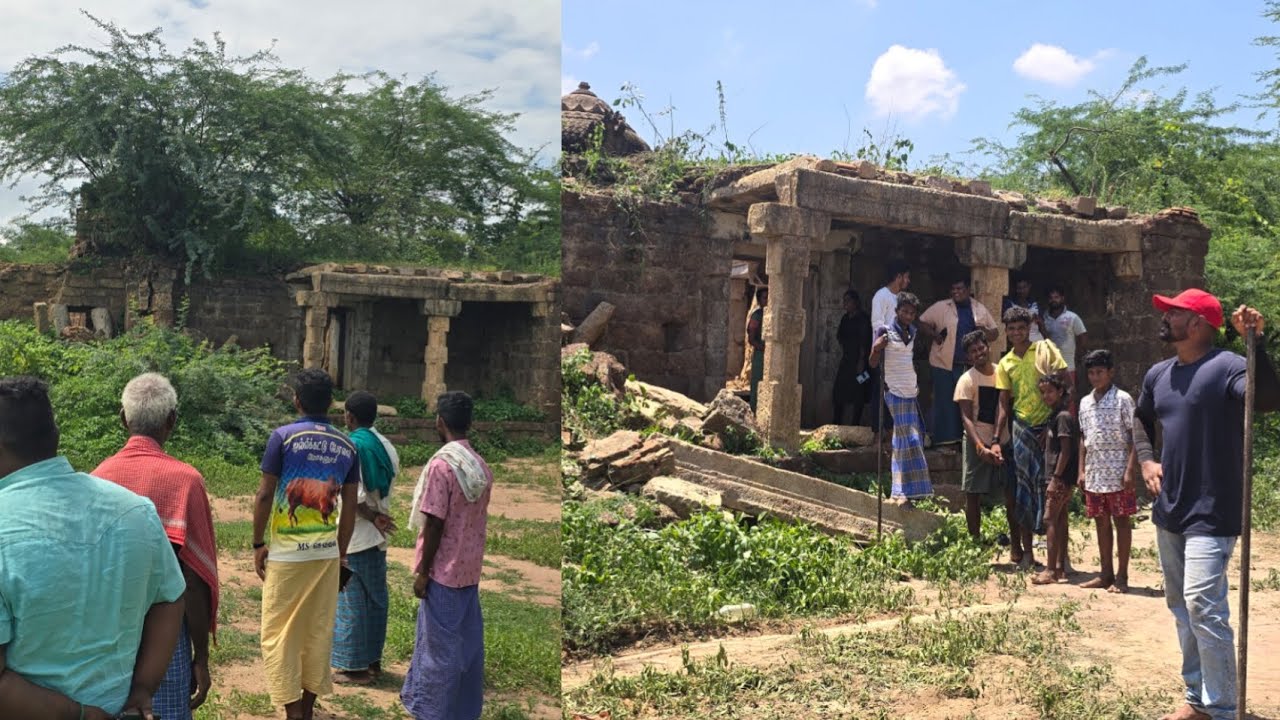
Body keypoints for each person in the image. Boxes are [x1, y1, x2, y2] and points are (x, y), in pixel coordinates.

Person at [0, 376, 186, 720]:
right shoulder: (136, 512)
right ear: (54, 436)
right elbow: (170, 598)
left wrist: (79, 714)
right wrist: (143, 688)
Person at [1133, 289, 1280, 720]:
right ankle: (1197, 698)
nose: (1165, 318)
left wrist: (1256, 343)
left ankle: (1221, 707)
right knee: (1181, 607)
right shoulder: (1158, 374)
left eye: (1173, 313)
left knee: (1203, 604)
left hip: (1213, 509)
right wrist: (1146, 460)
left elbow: (1268, 401)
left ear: (1196, 323)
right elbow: (1140, 420)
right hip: (1170, 509)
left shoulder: (1228, 367)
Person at [93, 373, 219, 719]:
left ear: (122, 418)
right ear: (172, 421)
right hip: (166, 636)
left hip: (108, 634)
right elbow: (192, 580)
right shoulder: (187, 481)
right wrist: (201, 659)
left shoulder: (98, 477)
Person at [252, 368, 360, 720]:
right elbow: (349, 508)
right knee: (318, 630)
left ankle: (292, 711)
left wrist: (257, 543)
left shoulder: (282, 438)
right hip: (326, 556)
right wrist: (341, 553)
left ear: (296, 401)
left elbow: (266, 493)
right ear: (331, 403)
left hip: (286, 556)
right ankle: (308, 710)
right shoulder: (347, 445)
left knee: (278, 631)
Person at [402, 392, 494, 720]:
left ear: (439, 422)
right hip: (469, 571)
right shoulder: (479, 466)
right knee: (468, 649)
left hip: (443, 573)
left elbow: (436, 522)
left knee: (438, 652)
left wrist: (423, 571)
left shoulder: (442, 466)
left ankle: (431, 712)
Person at [332, 391, 400, 685]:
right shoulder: (386, 446)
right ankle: (373, 662)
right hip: (377, 535)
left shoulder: (352, 447)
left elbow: (354, 499)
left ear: (350, 416)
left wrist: (372, 515)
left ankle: (354, 667)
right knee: (375, 599)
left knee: (351, 599)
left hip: (357, 533)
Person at [995, 305, 1068, 570]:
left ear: (1029, 329)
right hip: (1022, 428)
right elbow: (1004, 402)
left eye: (1021, 328)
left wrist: (1053, 425)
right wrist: (996, 436)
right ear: (1006, 332)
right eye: (1011, 329)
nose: (1016, 333)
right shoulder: (1005, 363)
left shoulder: (1046, 351)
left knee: (1054, 489)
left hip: (1047, 427)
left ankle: (1061, 559)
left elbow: (1064, 384)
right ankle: (1028, 554)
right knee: (1023, 490)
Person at [1076, 349, 1137, 594]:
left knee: (1122, 521)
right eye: (1091, 373)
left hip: (1118, 470)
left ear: (1111, 372)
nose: (1095, 377)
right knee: (1101, 522)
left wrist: (1131, 470)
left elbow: (1135, 436)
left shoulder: (1123, 399)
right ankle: (1105, 573)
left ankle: (1122, 576)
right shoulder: (1084, 402)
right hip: (1095, 472)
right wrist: (1081, 470)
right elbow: (1083, 438)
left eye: (1100, 372)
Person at [918, 276, 999, 446]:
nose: (956, 292)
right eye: (954, 290)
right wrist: (935, 336)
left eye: (960, 289)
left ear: (968, 290)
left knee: (968, 402)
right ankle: (944, 440)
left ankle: (966, 439)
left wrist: (983, 331)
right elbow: (922, 322)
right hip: (943, 362)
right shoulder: (942, 307)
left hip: (970, 364)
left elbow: (995, 333)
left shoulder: (978, 308)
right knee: (944, 401)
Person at [868, 292, 932, 503]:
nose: (907, 316)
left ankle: (900, 491)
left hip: (910, 391)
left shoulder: (913, 332)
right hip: (893, 390)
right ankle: (907, 490)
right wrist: (877, 348)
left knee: (903, 440)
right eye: (904, 311)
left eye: (912, 313)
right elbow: (873, 362)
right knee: (909, 439)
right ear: (896, 311)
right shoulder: (884, 331)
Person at [954, 330, 1007, 541]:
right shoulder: (966, 380)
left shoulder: (1001, 372)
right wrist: (979, 447)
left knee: (1009, 493)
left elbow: (1004, 406)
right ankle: (975, 540)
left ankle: (1014, 540)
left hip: (1001, 440)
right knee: (973, 493)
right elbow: (966, 418)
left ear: (988, 347)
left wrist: (996, 441)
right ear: (969, 357)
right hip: (976, 441)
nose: (978, 353)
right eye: (973, 352)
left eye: (980, 348)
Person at [1032, 374, 1077, 586]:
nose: (1046, 396)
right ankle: (1060, 568)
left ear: (1060, 391)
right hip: (1060, 478)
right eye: (1043, 392)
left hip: (1059, 478)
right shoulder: (1055, 417)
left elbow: (1066, 451)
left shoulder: (1063, 418)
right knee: (1060, 520)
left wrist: (1056, 478)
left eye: (1050, 391)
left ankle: (1050, 569)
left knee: (1049, 519)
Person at [869, 260, 911, 433]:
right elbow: (878, 324)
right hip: (884, 352)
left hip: (900, 355)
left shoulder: (901, 299)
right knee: (881, 393)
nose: (908, 281)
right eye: (906, 277)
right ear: (898, 277)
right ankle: (879, 433)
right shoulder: (882, 295)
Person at [1042, 285, 1088, 408]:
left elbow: (1082, 337)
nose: (1054, 300)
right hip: (1049, 368)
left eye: (1056, 297)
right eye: (1051, 298)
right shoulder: (1044, 319)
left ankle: (1069, 425)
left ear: (1062, 298)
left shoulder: (1073, 317)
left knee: (1069, 399)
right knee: (1051, 401)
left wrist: (1079, 356)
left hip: (1068, 366)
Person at [833, 289, 872, 425]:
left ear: (855, 302)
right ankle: (836, 422)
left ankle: (855, 424)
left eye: (848, 300)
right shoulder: (845, 318)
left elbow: (865, 341)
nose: (845, 304)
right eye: (844, 301)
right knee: (839, 391)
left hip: (862, 363)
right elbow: (840, 336)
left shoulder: (863, 319)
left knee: (860, 391)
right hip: (847, 360)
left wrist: (861, 362)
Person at [1002, 276, 1046, 343]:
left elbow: (1042, 326)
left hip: (1037, 341)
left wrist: (1038, 320)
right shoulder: (1010, 304)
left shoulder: (1035, 305)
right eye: (1019, 288)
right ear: (1016, 289)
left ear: (1029, 287)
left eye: (1024, 287)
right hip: (1019, 341)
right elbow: (1007, 324)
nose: (1022, 291)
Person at [747, 286, 767, 412]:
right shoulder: (757, 315)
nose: (767, 300)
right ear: (759, 300)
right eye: (765, 298)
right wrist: (763, 348)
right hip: (760, 355)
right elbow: (751, 338)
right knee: (757, 383)